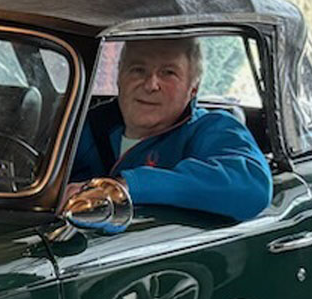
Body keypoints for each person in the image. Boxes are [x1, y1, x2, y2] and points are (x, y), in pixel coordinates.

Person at [66, 37, 273, 221]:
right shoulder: (82, 126)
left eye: (168, 73)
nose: (151, 85)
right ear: (119, 77)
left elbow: (253, 187)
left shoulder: (211, 128)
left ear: (193, 88)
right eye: (138, 70)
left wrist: (128, 186)